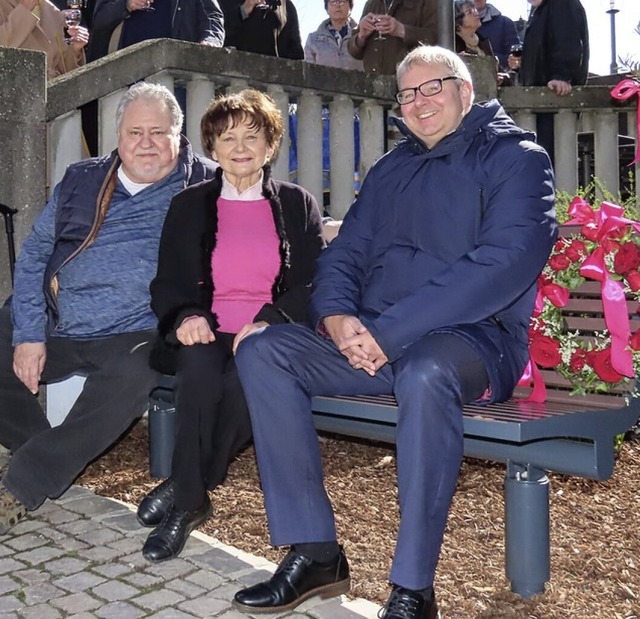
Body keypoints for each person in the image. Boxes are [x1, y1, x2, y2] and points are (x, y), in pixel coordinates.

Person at [232, 45, 557, 618]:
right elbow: (345, 255)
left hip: (471, 344)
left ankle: (412, 587)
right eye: (408, 93)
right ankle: (314, 551)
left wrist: (387, 332)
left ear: (465, 91)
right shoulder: (389, 168)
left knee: (426, 369)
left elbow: (502, 263)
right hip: (375, 346)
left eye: (433, 87)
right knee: (265, 350)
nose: (419, 101)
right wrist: (336, 317)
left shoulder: (517, 159)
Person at [0, 82, 216, 535]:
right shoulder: (82, 179)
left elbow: (267, 209)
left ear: (179, 135)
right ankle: (42, 448)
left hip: (136, 331)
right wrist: (29, 334)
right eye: (135, 132)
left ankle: (24, 484)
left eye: (158, 132)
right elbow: (37, 253)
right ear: (116, 135)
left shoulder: (206, 185)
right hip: (60, 317)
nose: (146, 143)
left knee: (137, 371)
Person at [136, 89, 324, 563]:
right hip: (207, 326)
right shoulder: (189, 204)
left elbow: (315, 282)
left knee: (250, 376)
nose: (240, 147)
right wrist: (187, 316)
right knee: (198, 369)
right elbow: (167, 283)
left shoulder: (297, 204)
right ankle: (193, 500)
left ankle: (185, 490)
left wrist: (270, 320)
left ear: (271, 145)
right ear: (212, 149)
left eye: (252, 136)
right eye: (227, 137)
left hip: (268, 332)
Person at [509, 0, 589, 159]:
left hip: (554, 99)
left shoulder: (561, 3)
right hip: (541, 99)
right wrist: (522, 64)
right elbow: (544, 48)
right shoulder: (540, 10)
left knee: (552, 159)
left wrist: (562, 76)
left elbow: (568, 40)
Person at [90, 0, 224, 59]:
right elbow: (99, 20)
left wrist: (210, 42)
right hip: (126, 74)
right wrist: (126, 5)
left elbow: (211, 15)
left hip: (174, 71)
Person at [0, 0, 89, 78]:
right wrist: (24, 10)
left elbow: (60, 67)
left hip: (53, 93)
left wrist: (75, 50)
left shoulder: (51, 10)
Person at [346, 0, 437, 75]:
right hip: (373, 85)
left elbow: (437, 41)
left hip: (410, 84)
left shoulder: (427, 3)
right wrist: (361, 36)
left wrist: (401, 30)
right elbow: (354, 52)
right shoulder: (371, 4)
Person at [219, 0, 303, 60]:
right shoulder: (224, 2)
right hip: (235, 75)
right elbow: (218, 35)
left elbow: (295, 50)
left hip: (274, 77)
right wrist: (243, 11)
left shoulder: (285, 5)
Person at [304, 0, 362, 71]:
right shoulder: (313, 39)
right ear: (327, 8)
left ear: (350, 6)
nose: (338, 6)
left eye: (342, 2)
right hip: (323, 82)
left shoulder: (361, 36)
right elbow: (309, 73)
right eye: (333, 2)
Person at [473, 0, 519, 72]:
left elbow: (515, 59)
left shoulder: (505, 23)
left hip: (497, 79)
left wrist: (484, 58)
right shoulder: (451, 25)